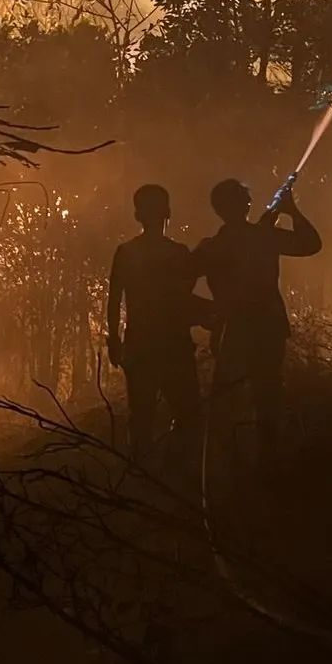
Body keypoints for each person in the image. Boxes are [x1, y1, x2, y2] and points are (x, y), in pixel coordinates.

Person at [193, 177, 321, 463]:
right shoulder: (262, 237)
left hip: (236, 329)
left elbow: (180, 281)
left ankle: (228, 461)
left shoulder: (213, 245)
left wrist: (209, 312)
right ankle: (263, 460)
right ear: (245, 205)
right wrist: (292, 210)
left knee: (229, 399)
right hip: (262, 329)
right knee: (266, 397)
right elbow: (311, 243)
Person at [107, 184, 203, 462]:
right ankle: (180, 468)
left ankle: (143, 471)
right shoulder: (179, 253)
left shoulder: (126, 252)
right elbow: (185, 299)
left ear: (138, 215)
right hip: (174, 343)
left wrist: (115, 339)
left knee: (142, 415)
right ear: (168, 213)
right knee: (186, 412)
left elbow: (114, 300)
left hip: (141, 343)